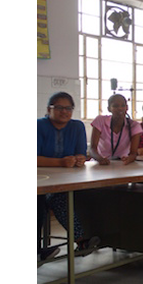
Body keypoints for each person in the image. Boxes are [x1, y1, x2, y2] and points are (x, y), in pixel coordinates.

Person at [37, 92, 99, 260]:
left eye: (68, 108)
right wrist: (60, 163)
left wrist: (79, 160)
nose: (64, 111)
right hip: (40, 179)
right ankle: (37, 251)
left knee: (85, 195)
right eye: (59, 108)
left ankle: (85, 240)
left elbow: (81, 154)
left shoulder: (77, 126)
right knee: (45, 200)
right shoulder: (38, 126)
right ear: (48, 109)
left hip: (66, 179)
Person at [89, 94, 141, 165]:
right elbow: (92, 149)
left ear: (127, 108)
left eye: (123, 105)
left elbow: (133, 153)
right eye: (115, 106)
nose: (120, 108)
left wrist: (128, 159)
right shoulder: (100, 121)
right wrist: (100, 159)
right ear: (109, 109)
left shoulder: (134, 125)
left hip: (122, 164)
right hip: (100, 163)